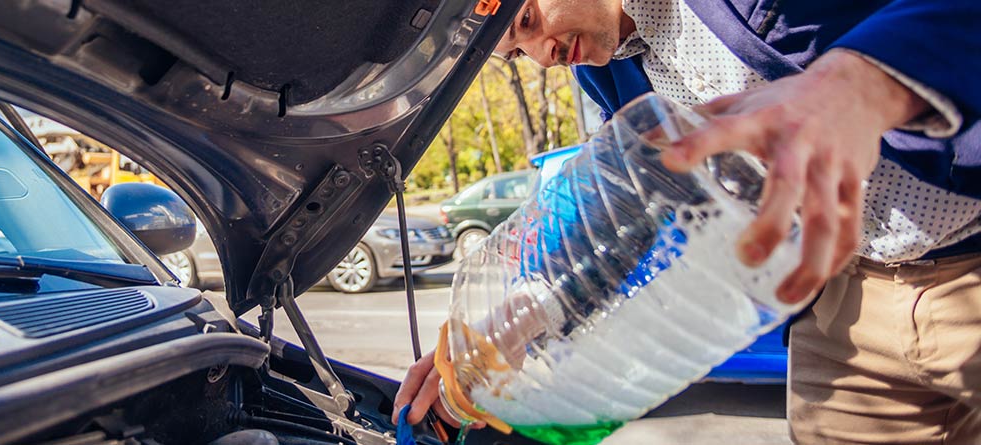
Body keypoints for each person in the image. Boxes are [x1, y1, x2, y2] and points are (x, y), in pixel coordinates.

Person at [394, 0, 981, 442]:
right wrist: (508, 331)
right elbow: (618, 214)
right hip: (843, 317)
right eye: (519, 53)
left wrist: (861, 83)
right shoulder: (606, 73)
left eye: (526, 20)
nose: (543, 54)